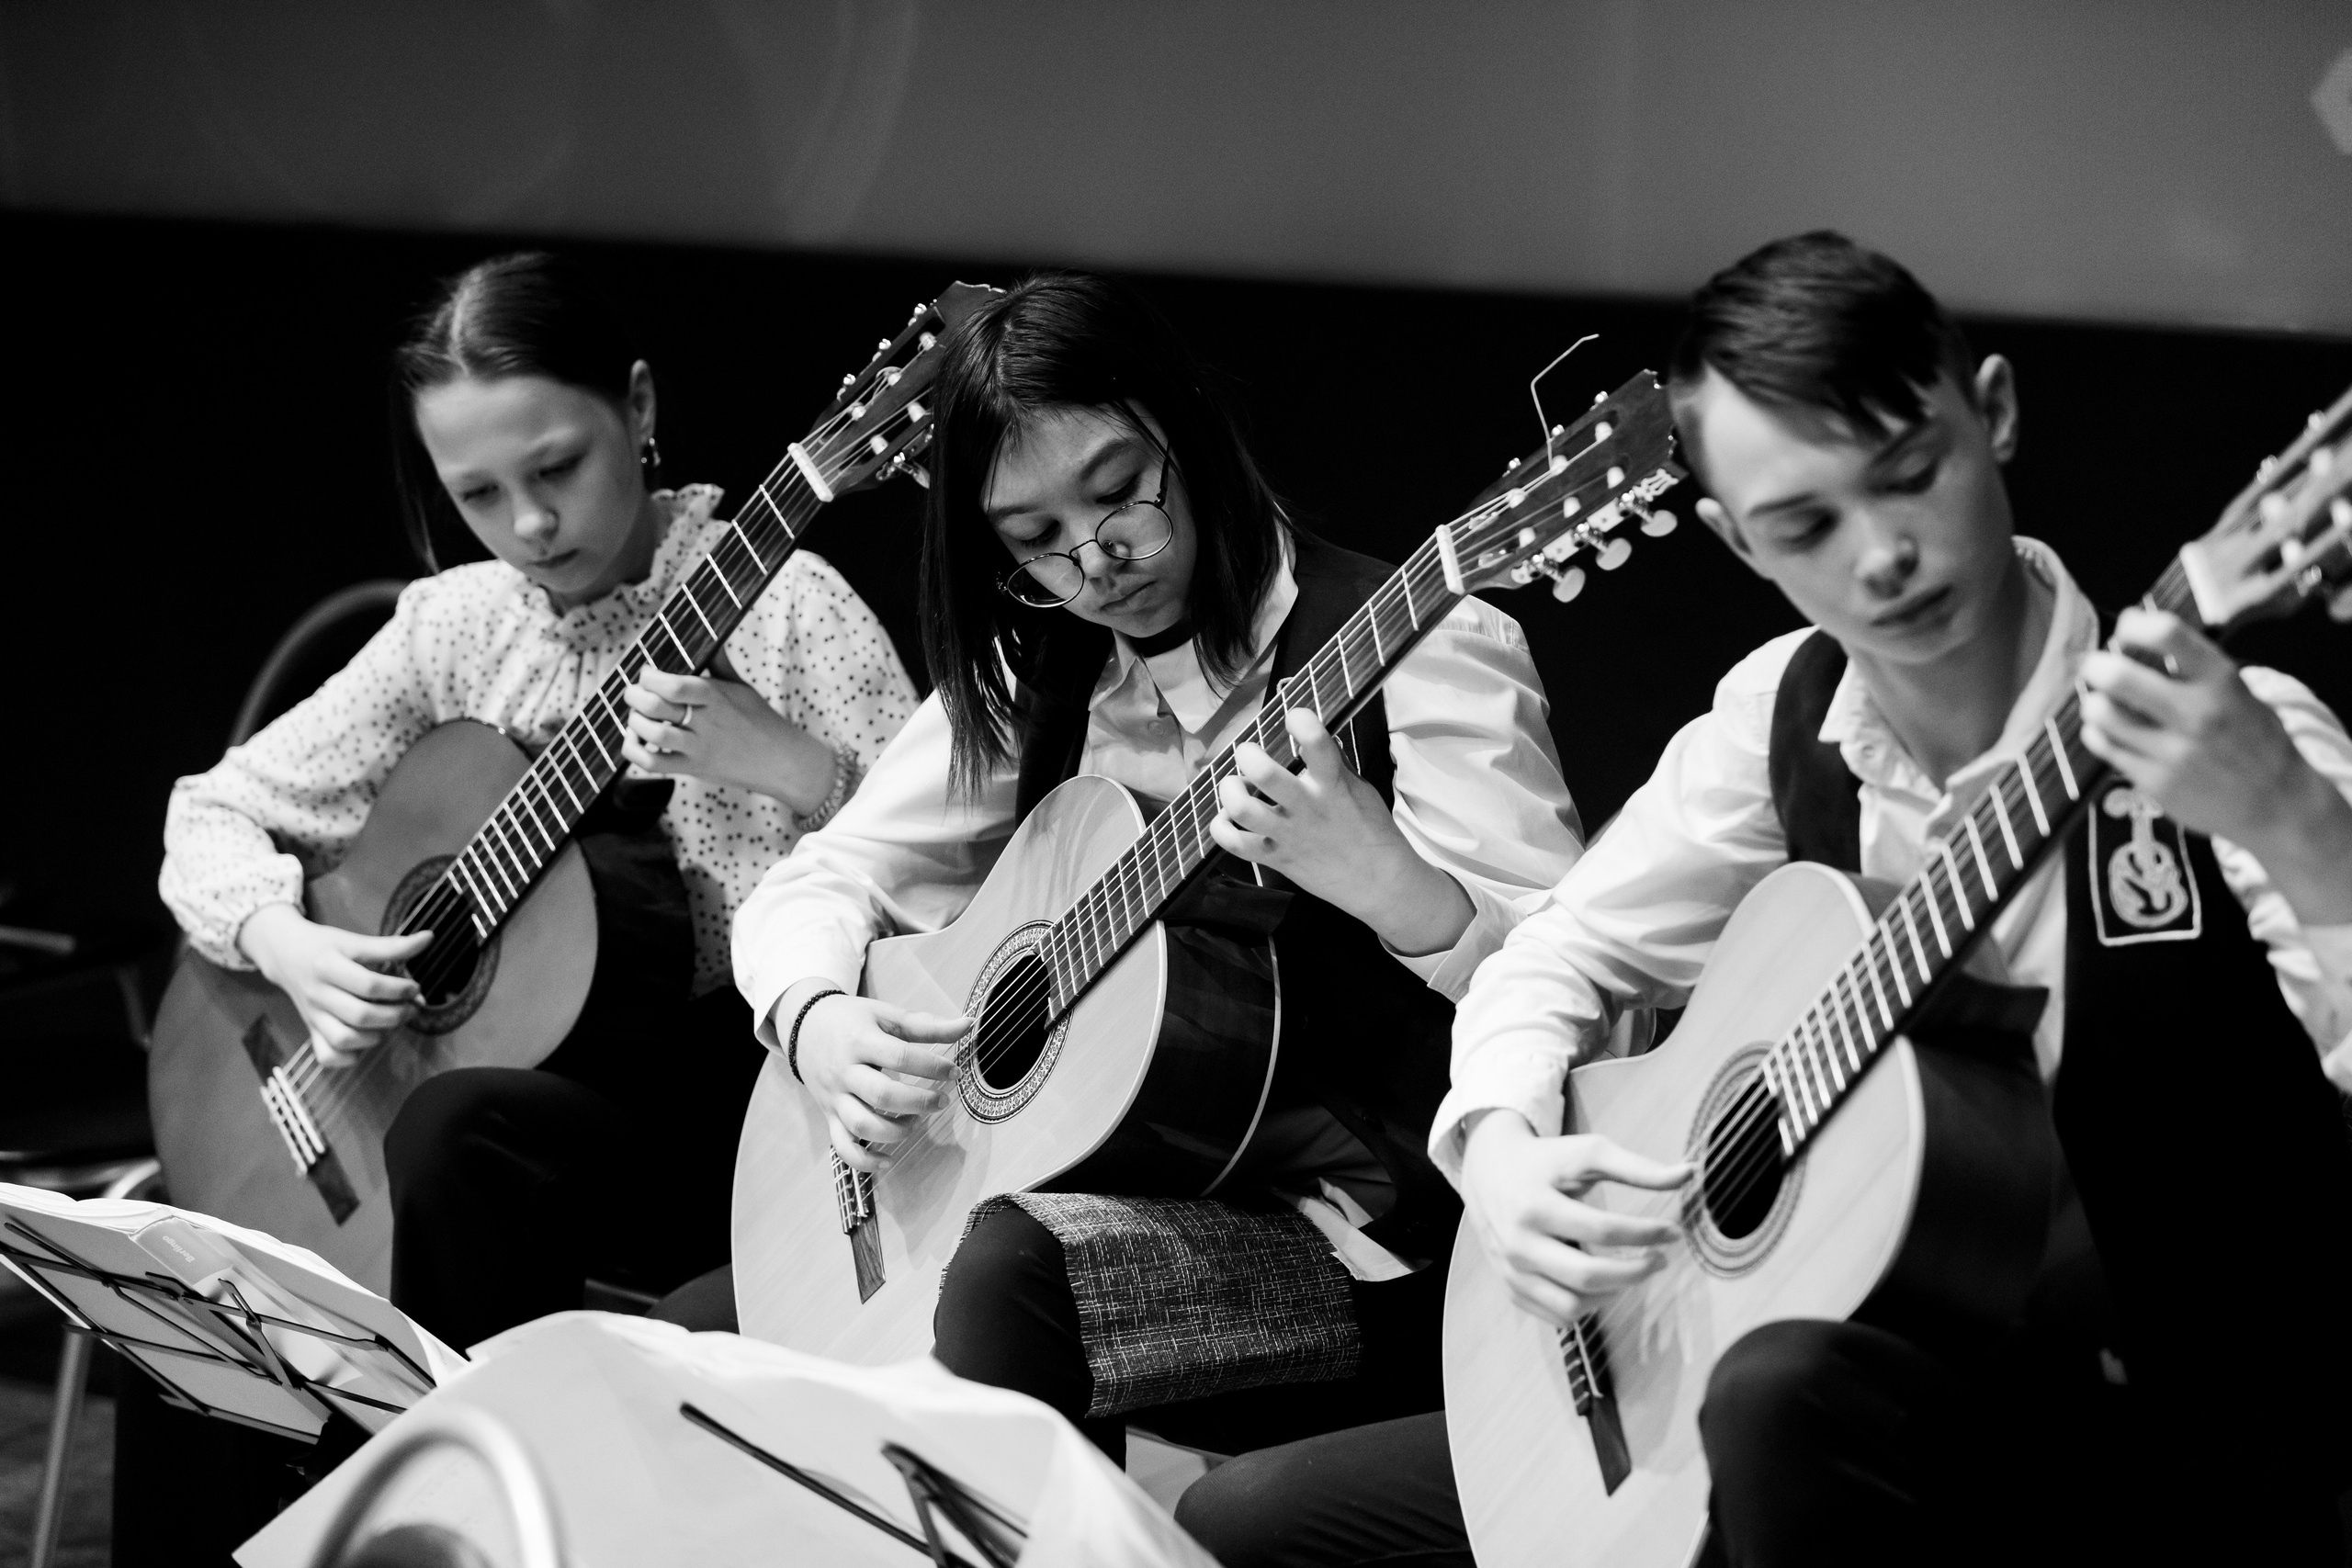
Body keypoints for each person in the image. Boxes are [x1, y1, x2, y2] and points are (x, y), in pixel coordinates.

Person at [1176, 232, 2352, 1567]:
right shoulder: (1779, 710)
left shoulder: (2243, 749)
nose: (1883, 556)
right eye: (1805, 525)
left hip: (2165, 1443)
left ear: (1999, 414)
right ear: (1737, 539)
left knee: (1783, 1402)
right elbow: (1553, 952)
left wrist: (2301, 827)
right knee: (1253, 1519)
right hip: (1777, 1365)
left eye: (1909, 474)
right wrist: (1500, 1143)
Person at [726, 271, 1585, 1469]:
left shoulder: (1424, 649)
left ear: (1190, 425)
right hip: (1099, 1189)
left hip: (1371, 1249)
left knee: (1013, 1269)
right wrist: (815, 1015)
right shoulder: (1047, 675)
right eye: (1034, 540)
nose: (1097, 557)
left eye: (1120, 488)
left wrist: (1398, 890)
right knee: (702, 1338)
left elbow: (1592, 1014)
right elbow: (817, 882)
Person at [159, 251, 918, 1350]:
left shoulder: (790, 608)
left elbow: (949, 901)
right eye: (477, 493)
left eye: (556, 467)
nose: (529, 524)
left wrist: (799, 771)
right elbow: (211, 811)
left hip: (753, 1113)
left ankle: (461, 1488)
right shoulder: (455, 627)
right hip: (526, 1103)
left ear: (640, 405)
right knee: (215, 1279)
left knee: (457, 1129)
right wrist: (286, 945)